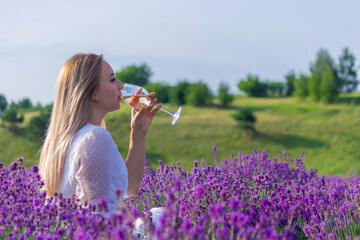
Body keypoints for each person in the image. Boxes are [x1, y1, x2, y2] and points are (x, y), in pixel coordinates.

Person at [38, 53, 164, 230]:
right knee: (162, 217)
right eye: (112, 80)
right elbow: (98, 219)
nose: (121, 86)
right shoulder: (94, 137)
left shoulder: (65, 141)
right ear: (93, 92)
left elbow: (130, 188)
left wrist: (138, 133)